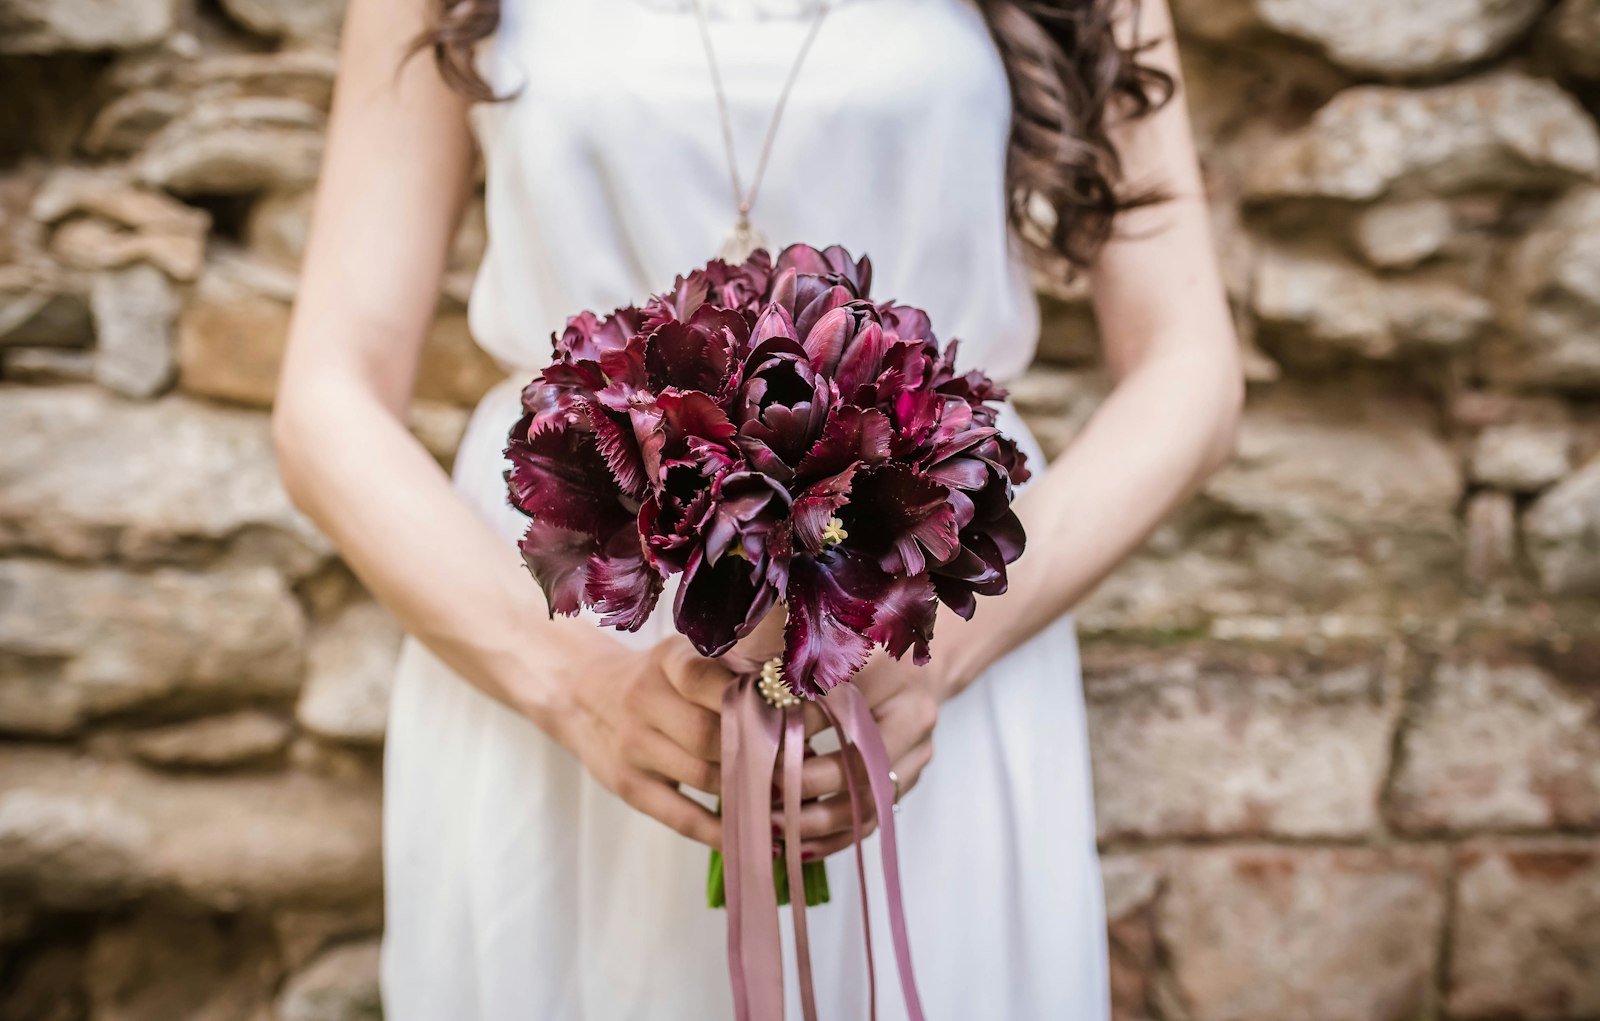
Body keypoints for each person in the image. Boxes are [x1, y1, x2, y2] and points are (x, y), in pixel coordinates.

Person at [273, 0, 1242, 1016]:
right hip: (563, 619)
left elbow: (1191, 370)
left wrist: (943, 657)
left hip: (927, 622)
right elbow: (327, 396)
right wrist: (575, 686)